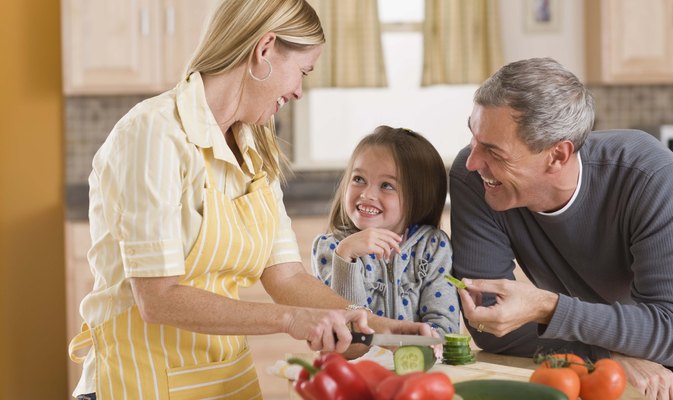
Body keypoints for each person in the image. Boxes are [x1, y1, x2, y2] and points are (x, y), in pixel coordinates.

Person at [67, 1, 429, 399]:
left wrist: (376, 328)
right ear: (265, 50)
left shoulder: (254, 145)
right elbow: (158, 298)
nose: (298, 92)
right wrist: (293, 319)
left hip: (225, 384)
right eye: (302, 71)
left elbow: (285, 276)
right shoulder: (154, 134)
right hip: (139, 382)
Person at [449, 57, 673, 400]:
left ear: (557, 156)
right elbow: (491, 323)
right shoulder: (473, 180)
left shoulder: (648, 174)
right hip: (599, 328)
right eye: (474, 137)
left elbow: (672, 332)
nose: (473, 161)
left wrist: (547, 306)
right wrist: (607, 353)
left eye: (493, 150)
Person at [312, 126, 460, 336]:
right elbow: (347, 331)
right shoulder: (332, 248)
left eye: (386, 185)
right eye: (359, 179)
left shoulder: (433, 247)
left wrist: (417, 350)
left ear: (419, 197)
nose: (367, 194)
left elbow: (445, 326)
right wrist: (346, 257)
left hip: (420, 364)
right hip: (353, 367)